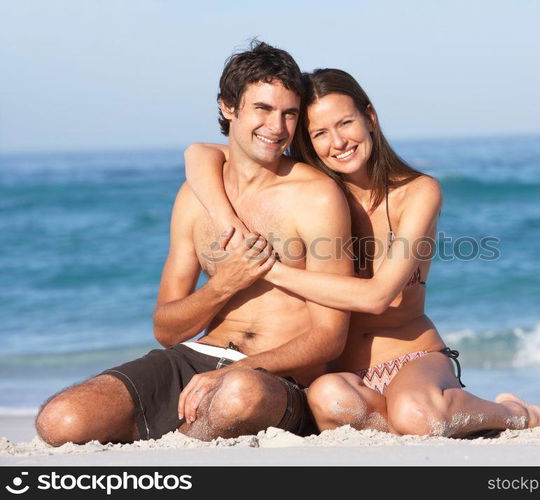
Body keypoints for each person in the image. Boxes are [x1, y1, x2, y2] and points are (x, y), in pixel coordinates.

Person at [184, 68, 540, 437]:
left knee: (415, 414)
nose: (337, 142)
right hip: (342, 373)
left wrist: (265, 269)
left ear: (369, 117)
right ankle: (428, 419)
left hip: (412, 356)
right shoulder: (318, 196)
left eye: (345, 123)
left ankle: (514, 413)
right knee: (327, 398)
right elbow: (198, 153)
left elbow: (378, 295)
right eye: (319, 133)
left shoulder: (418, 192)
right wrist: (225, 219)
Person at [34, 42, 354, 446]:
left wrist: (229, 374)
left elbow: (329, 337)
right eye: (263, 109)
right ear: (228, 107)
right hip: (195, 358)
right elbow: (166, 329)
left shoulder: (318, 196)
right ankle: (169, 431)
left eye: (289, 113)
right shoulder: (196, 196)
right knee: (60, 420)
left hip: (277, 376)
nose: (277, 127)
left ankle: (175, 452)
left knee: (239, 394)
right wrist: (224, 284)